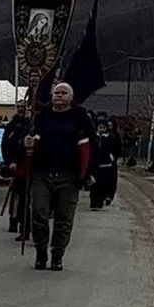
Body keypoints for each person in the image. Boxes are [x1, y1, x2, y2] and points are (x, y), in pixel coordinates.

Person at [23, 80, 96, 271]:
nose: (59, 95)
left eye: (64, 93)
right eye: (57, 93)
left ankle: (57, 254)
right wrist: (28, 144)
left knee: (64, 218)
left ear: (71, 97)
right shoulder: (41, 118)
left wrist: (87, 174)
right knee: (39, 213)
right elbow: (28, 141)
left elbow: (91, 147)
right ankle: (40, 252)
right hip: (42, 173)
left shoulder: (80, 118)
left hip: (69, 176)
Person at [1, 102, 34, 233]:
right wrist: (9, 162)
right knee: (16, 197)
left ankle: (26, 225)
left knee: (27, 198)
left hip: (28, 165)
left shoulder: (31, 125)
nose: (21, 109)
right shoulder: (11, 126)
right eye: (19, 107)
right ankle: (14, 220)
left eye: (23, 107)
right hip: (15, 166)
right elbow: (6, 145)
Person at [89, 115, 121, 210]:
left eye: (104, 127)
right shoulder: (94, 137)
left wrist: (112, 157)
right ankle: (93, 202)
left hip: (106, 165)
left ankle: (100, 201)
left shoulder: (110, 137)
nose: (102, 129)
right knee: (94, 184)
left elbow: (115, 148)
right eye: (100, 127)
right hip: (95, 164)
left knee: (103, 184)